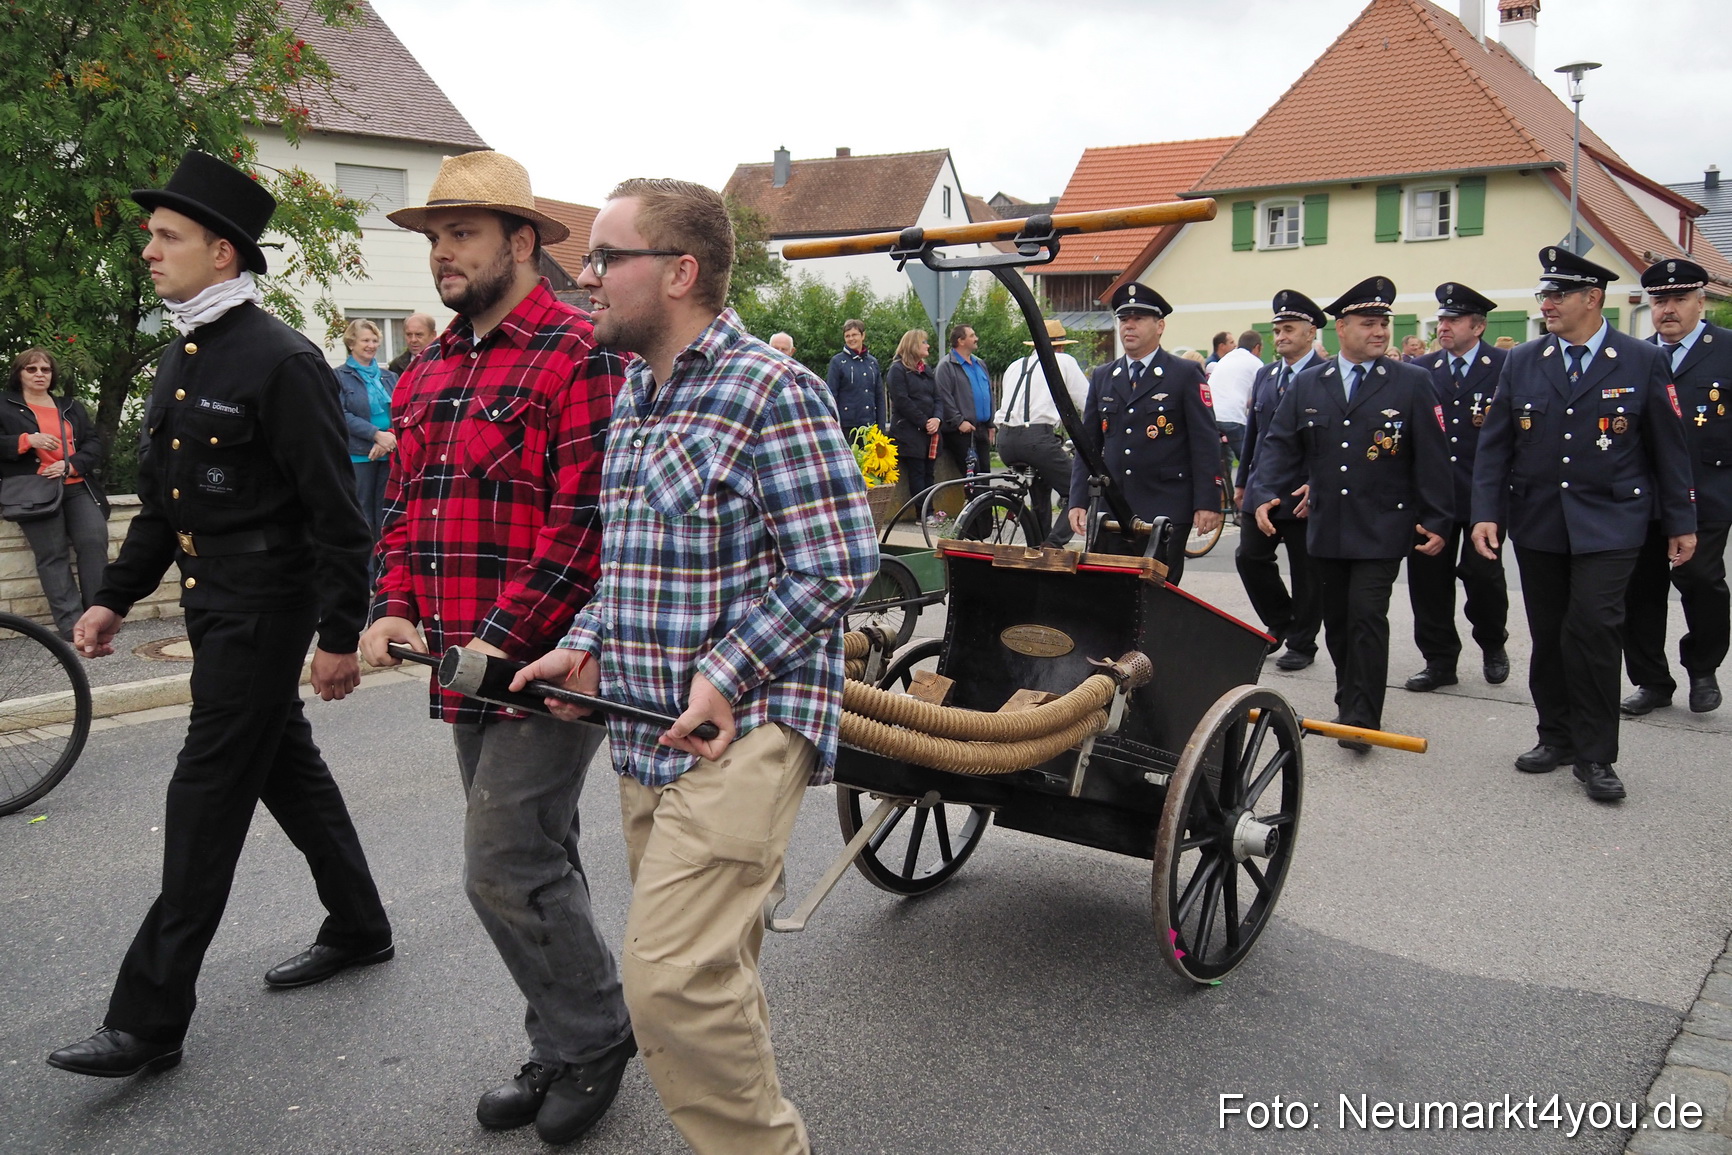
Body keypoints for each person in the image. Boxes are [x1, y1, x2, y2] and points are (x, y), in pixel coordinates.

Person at [512, 176, 876, 1155]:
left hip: (748, 727)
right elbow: (628, 564)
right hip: (646, 733)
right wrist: (585, 644)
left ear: (678, 272)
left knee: (668, 979)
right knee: (705, 977)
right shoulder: (636, 392)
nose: (583, 277)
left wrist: (725, 670)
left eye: (602, 258)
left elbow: (839, 557)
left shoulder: (772, 389)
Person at [47, 151, 391, 1079]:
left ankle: (148, 1016)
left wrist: (335, 637)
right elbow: (163, 501)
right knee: (284, 765)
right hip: (213, 604)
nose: (149, 251)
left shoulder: (283, 362)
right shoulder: (184, 352)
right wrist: (116, 594)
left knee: (202, 800)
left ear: (223, 254)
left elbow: (336, 516)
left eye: (168, 237)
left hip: (267, 609)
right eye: (151, 236)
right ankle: (360, 923)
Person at [358, 150, 633, 1146]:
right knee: (537, 855)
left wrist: (494, 640)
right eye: (434, 237)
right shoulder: (425, 368)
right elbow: (405, 513)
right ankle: (563, 1038)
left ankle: (596, 1038)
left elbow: (586, 524)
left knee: (501, 861)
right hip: (458, 660)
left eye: (461, 233)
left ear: (521, 241)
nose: (441, 254)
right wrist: (390, 604)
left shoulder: (578, 351)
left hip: (555, 660)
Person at [1471, 247, 1696, 802]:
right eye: (1544, 295)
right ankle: (1557, 736)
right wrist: (1486, 512)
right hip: (1541, 520)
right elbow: (1495, 445)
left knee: (1593, 629)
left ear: (1592, 299)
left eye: (1558, 295)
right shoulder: (1523, 360)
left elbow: (1669, 448)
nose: (1546, 304)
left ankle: (1596, 756)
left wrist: (1681, 521)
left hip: (1613, 521)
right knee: (1549, 633)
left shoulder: (1640, 359)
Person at [1246, 275, 1452, 749]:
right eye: (1368, 323)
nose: (1379, 331)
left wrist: (1438, 519)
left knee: (1365, 615)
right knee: (1337, 619)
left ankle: (1362, 716)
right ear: (1342, 327)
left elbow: (1434, 459)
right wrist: (1264, 494)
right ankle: (1347, 696)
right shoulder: (1309, 384)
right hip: (1327, 523)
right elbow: (1277, 444)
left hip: (1383, 522)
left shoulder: (1412, 382)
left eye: (1384, 323)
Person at [1622, 257, 1732, 716]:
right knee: (1638, 588)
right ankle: (1651, 680)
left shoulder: (1727, 349)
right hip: (1643, 494)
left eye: (1679, 299)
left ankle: (1702, 669)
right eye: (1660, 300)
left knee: (1701, 580)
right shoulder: (1635, 357)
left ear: (1701, 302)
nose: (1668, 309)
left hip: (1708, 488)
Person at [1066, 282, 1221, 584]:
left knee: (1157, 594)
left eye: (1138, 319)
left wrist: (1208, 502)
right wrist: (1078, 500)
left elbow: (1204, 442)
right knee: (1110, 591)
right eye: (1124, 319)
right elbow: (1089, 446)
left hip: (1166, 504)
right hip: (1114, 507)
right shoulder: (1104, 376)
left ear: (1160, 325)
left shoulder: (1184, 374)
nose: (1129, 326)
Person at [1404, 282, 1510, 692]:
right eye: (1441, 319)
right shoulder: (1422, 370)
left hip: (1483, 493)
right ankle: (1439, 660)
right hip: (1432, 495)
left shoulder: (1504, 366)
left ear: (1478, 326)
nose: (1443, 326)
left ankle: (1492, 640)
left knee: (1483, 576)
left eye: (1453, 320)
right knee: (1428, 580)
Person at [1235, 291, 1326, 672]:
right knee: (1250, 557)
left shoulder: (1326, 375)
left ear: (1310, 334)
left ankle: (1303, 642)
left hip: (1305, 489)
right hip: (1264, 488)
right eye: (1277, 330)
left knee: (1307, 571)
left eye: (1289, 329)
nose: (1281, 336)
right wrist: (1244, 483)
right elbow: (1255, 433)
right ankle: (1282, 620)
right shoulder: (1266, 374)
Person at [1, 348, 110, 639]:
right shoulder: (4, 405)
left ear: (53, 374)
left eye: (45, 370)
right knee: (53, 556)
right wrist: (26, 440)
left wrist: (71, 465)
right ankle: (71, 625)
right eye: (31, 369)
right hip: (33, 491)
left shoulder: (69, 406)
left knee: (93, 543)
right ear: (19, 373)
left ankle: (98, 618)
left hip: (76, 486)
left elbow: (94, 444)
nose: (39, 375)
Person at [994, 318, 1090, 547]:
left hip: (1005, 439)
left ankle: (1037, 544)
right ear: (1061, 345)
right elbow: (1088, 401)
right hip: (1036, 439)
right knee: (1081, 489)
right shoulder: (1063, 361)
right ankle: (1053, 545)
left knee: (1040, 484)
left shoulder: (1016, 365)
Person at [333, 319, 398, 581]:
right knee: (362, 516)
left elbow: (404, 410)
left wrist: (389, 438)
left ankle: (387, 573)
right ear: (351, 343)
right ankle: (366, 575)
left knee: (387, 514)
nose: (371, 345)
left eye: (374, 340)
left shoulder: (389, 376)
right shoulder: (338, 376)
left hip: (389, 452)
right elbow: (340, 414)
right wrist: (375, 435)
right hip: (359, 454)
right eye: (365, 341)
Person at [886, 328, 943, 512]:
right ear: (913, 345)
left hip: (930, 432)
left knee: (929, 473)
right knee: (917, 472)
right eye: (924, 342)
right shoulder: (898, 370)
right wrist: (924, 421)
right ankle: (924, 513)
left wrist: (937, 419)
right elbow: (902, 400)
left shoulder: (926, 370)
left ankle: (930, 510)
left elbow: (938, 398)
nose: (928, 345)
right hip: (909, 431)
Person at [936, 322, 994, 481]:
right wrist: (958, 421)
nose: (977, 338)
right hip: (962, 432)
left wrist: (990, 423)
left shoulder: (979, 363)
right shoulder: (946, 366)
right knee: (972, 479)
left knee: (985, 477)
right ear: (961, 341)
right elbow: (943, 397)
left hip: (980, 429)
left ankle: (985, 506)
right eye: (972, 336)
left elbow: (987, 392)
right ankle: (975, 506)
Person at [1208, 330, 1262, 467]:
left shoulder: (1226, 359)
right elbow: (1260, 397)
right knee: (1249, 462)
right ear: (1257, 347)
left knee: (1220, 464)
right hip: (1231, 416)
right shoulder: (1256, 363)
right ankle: (1249, 487)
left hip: (1210, 413)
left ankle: (1223, 487)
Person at [824, 319, 882, 438]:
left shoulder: (872, 362)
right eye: (847, 336)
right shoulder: (837, 362)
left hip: (870, 426)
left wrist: (880, 428)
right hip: (847, 427)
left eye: (854, 335)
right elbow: (831, 395)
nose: (851, 339)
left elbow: (879, 396)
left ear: (863, 335)